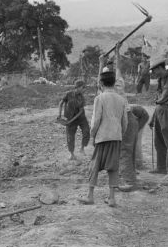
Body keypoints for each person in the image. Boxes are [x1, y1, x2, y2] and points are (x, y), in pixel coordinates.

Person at [79, 71, 128, 207]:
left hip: (102, 136)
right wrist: (120, 134)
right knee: (113, 167)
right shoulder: (121, 99)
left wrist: (93, 135)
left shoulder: (99, 98)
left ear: (101, 83)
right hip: (116, 136)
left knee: (94, 165)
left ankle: (90, 196)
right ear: (113, 83)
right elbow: (125, 121)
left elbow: (96, 120)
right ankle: (111, 198)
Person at [58, 79, 90, 160]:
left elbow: (80, 111)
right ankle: (72, 154)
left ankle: (82, 148)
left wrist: (70, 121)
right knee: (70, 136)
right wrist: (59, 115)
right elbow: (61, 103)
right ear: (78, 87)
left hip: (81, 118)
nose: (84, 89)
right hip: (70, 117)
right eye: (83, 87)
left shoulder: (82, 98)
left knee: (86, 131)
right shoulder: (68, 94)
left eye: (85, 87)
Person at [131, 105, 150, 169]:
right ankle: (136, 162)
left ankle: (138, 163)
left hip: (142, 116)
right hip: (138, 115)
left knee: (136, 141)